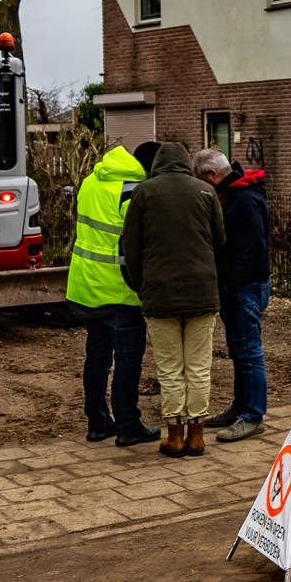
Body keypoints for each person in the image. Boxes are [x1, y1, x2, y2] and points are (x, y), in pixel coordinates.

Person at [121, 141, 225, 458]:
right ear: (186, 163)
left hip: (159, 295)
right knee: (198, 368)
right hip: (202, 295)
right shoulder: (205, 192)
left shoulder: (143, 193)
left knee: (169, 369)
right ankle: (197, 437)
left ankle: (174, 438)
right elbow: (220, 243)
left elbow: (131, 249)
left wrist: (143, 286)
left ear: (156, 166)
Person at [66, 141, 161, 446]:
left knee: (97, 356)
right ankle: (128, 426)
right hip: (119, 291)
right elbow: (139, 243)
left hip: (85, 286)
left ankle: (97, 422)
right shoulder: (134, 192)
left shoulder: (92, 180)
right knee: (127, 359)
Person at [193, 148, 272, 443]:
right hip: (242, 286)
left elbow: (252, 251)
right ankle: (241, 407)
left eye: (202, 179)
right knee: (240, 349)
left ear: (213, 175)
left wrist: (230, 284)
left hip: (244, 288)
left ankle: (252, 415)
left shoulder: (243, 200)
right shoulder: (239, 195)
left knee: (249, 351)